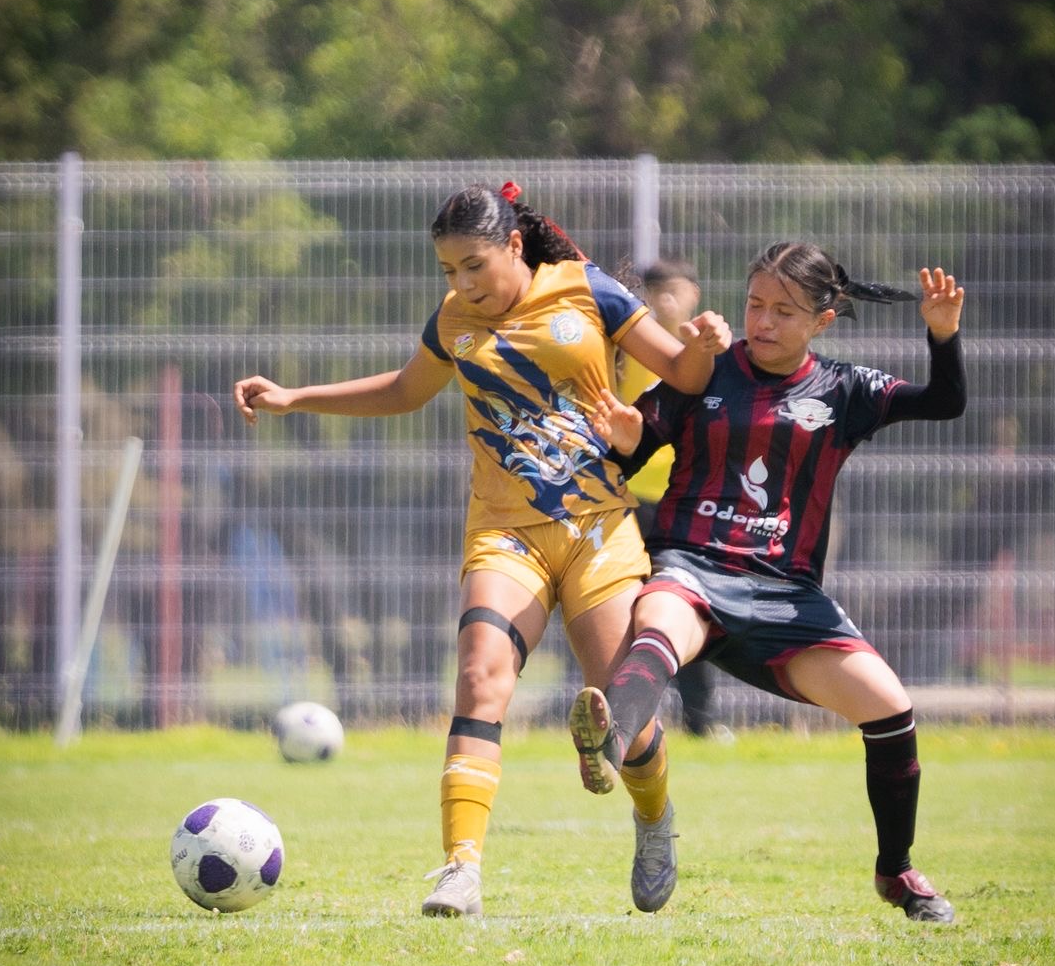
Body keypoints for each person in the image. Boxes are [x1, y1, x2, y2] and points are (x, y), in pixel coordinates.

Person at [234, 182, 731, 919]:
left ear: (515, 247)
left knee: (622, 707)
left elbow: (687, 374)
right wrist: (295, 397)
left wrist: (703, 347)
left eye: (474, 265)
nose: (463, 284)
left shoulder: (588, 291)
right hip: (504, 533)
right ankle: (459, 871)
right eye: (448, 272)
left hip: (598, 529)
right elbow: (406, 391)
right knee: (479, 677)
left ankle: (654, 822)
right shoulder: (455, 321)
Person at [569, 241, 966, 922]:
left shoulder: (847, 390)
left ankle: (896, 872)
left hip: (786, 597)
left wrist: (942, 334)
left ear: (823, 321)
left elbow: (946, 403)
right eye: (756, 303)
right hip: (691, 566)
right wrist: (627, 441)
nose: (765, 320)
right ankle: (609, 742)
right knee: (658, 622)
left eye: (785, 310)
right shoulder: (703, 374)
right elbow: (623, 464)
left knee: (890, 708)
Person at [617, 260, 727, 741]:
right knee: (619, 607)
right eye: (655, 292)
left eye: (674, 292)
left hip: (681, 503)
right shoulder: (625, 349)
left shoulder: (704, 356)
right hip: (626, 499)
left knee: (685, 607)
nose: (664, 301)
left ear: (694, 294)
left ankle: (700, 720)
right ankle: (624, 716)